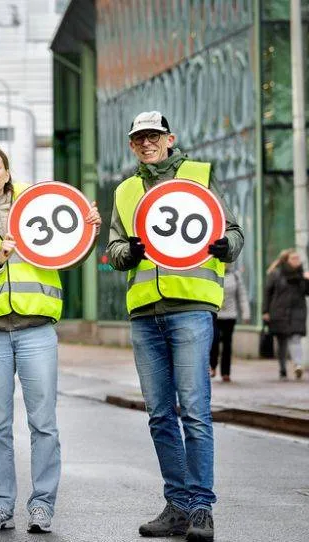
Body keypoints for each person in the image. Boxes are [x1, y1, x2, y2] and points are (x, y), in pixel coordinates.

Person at [106, 111, 244, 542]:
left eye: (153, 136)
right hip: (145, 313)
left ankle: (201, 507)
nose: (147, 143)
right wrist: (126, 251)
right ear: (132, 146)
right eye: (139, 138)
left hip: (191, 308)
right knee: (160, 414)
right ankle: (178, 506)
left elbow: (234, 231)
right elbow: (112, 247)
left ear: (170, 139)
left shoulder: (199, 177)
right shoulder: (126, 190)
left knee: (195, 412)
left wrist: (227, 244)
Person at [0, 146, 100, 534]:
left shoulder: (36, 205)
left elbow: (70, 251)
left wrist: (87, 226)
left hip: (37, 327)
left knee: (44, 423)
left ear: (7, 172)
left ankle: (42, 506)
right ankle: (0, 506)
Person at [263, 249, 309, 380]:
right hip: (279, 311)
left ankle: (298, 365)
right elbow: (268, 293)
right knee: (281, 343)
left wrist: (307, 280)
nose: (297, 261)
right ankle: (282, 369)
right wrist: (265, 311)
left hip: (297, 312)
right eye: (293, 258)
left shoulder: (301, 275)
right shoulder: (276, 274)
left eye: (298, 258)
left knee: (296, 339)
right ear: (286, 260)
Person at [210, 266, 250, 382]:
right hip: (215, 313)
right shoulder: (213, 273)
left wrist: (246, 313)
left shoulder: (236, 276)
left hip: (230, 315)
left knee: (227, 344)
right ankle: (212, 366)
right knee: (214, 340)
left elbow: (242, 296)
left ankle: (226, 373)